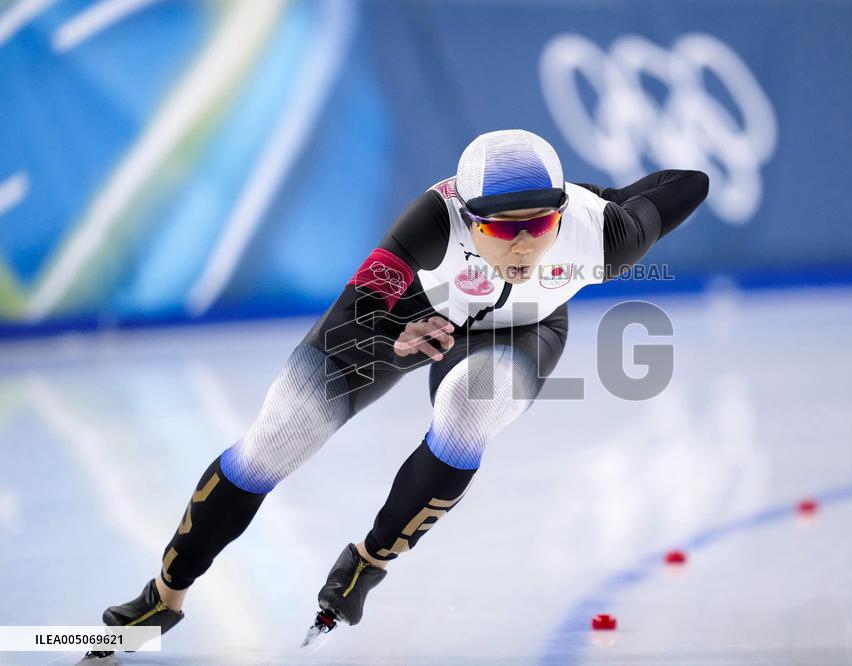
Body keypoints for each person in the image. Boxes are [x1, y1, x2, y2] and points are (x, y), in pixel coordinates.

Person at [84, 129, 709, 658]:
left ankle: (369, 561)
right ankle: (162, 599)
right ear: (467, 218)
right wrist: (396, 341)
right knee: (276, 441)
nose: (523, 245)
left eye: (540, 224)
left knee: (474, 404)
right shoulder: (432, 223)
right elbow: (358, 311)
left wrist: (595, 198)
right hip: (398, 318)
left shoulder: (601, 234)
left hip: (521, 328)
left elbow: (691, 182)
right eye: (501, 228)